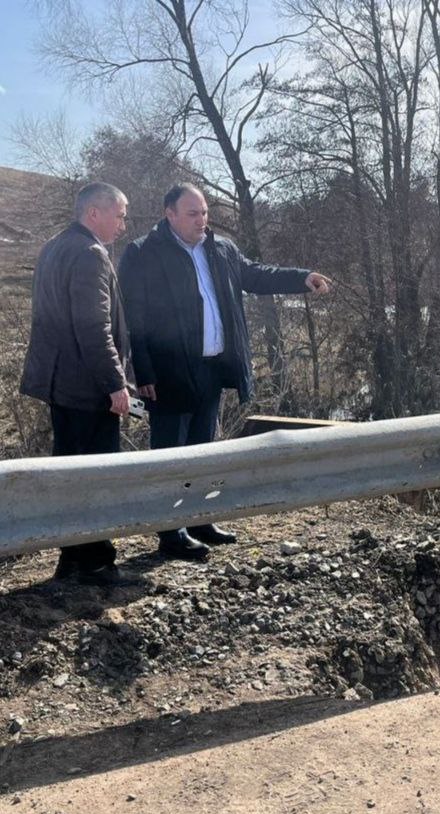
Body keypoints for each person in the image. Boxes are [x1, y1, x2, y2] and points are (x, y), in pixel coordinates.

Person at [119, 183, 331, 560]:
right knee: (170, 453)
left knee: (204, 449)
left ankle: (200, 519)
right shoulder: (142, 253)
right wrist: (144, 372)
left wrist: (301, 277)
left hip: (212, 367)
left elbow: (256, 275)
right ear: (169, 215)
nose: (202, 220)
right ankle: (171, 532)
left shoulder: (221, 248)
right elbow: (134, 317)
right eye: (193, 214)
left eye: (204, 213)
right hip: (168, 373)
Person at [20, 182, 134, 586]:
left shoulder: (54, 246)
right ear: (93, 214)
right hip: (86, 387)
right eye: (119, 215)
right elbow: (93, 327)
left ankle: (71, 559)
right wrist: (115, 383)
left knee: (69, 472)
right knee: (98, 477)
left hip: (59, 382)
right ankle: (96, 562)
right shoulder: (90, 254)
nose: (123, 224)